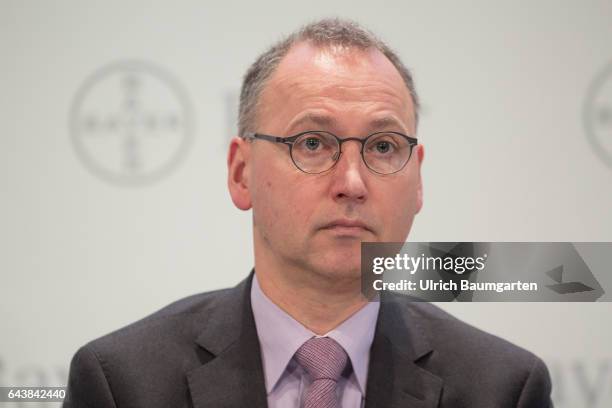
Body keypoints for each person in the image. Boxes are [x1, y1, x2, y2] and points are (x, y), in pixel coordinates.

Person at [63, 18, 553, 408]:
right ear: (241, 173)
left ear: (418, 178)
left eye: (383, 146)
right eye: (313, 143)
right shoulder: (123, 384)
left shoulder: (503, 388)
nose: (352, 184)